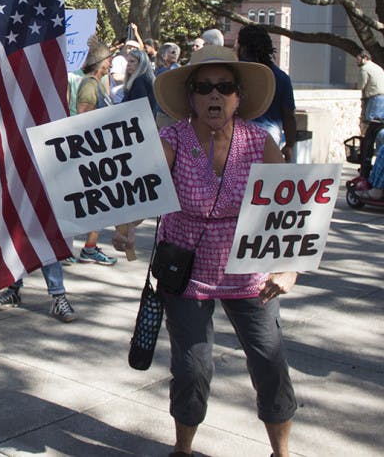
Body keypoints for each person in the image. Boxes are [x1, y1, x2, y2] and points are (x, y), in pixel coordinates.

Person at [153, 45, 297, 457]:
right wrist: (125, 228)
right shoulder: (173, 139)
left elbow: (292, 209)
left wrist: (288, 269)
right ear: (190, 98)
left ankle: (281, 453)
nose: (214, 96)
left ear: (238, 97)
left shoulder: (258, 141)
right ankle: (182, 449)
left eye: (225, 87)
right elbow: (141, 188)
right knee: (192, 368)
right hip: (186, 268)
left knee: (270, 364)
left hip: (249, 271)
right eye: (204, 88)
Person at [72, 43, 118, 266]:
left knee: (101, 203)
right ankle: (85, 249)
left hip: (100, 149)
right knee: (95, 202)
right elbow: (82, 115)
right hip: (92, 150)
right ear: (100, 62)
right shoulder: (90, 85)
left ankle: (90, 246)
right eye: (108, 59)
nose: (111, 63)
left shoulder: (99, 84)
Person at [112, 48, 156, 256]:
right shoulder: (139, 81)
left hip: (137, 141)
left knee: (131, 190)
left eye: (133, 62)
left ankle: (128, 234)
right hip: (139, 139)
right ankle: (127, 234)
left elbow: (135, 111)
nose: (129, 65)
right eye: (128, 61)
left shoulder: (140, 82)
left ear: (142, 64)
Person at [235, 25, 297, 163]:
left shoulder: (236, 73)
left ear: (243, 47)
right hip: (271, 141)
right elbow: (289, 116)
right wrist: (290, 145)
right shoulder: (282, 78)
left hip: (238, 141)